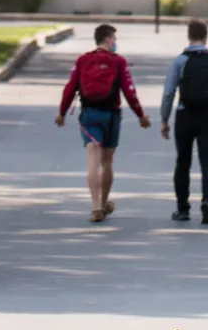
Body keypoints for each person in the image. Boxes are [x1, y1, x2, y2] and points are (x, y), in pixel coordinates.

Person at [56, 22, 149, 221]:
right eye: (114, 39)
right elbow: (129, 91)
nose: (115, 43)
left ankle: (96, 206)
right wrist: (141, 115)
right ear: (108, 39)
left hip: (89, 113)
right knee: (107, 161)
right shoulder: (118, 61)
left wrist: (62, 113)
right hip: (112, 115)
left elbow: (70, 88)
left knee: (92, 158)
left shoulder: (82, 60)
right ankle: (104, 203)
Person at [159, 19, 208, 224]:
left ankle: (183, 208)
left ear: (189, 36)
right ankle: (207, 201)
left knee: (183, 161)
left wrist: (164, 119)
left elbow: (168, 93)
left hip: (185, 115)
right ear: (206, 36)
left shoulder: (180, 61)